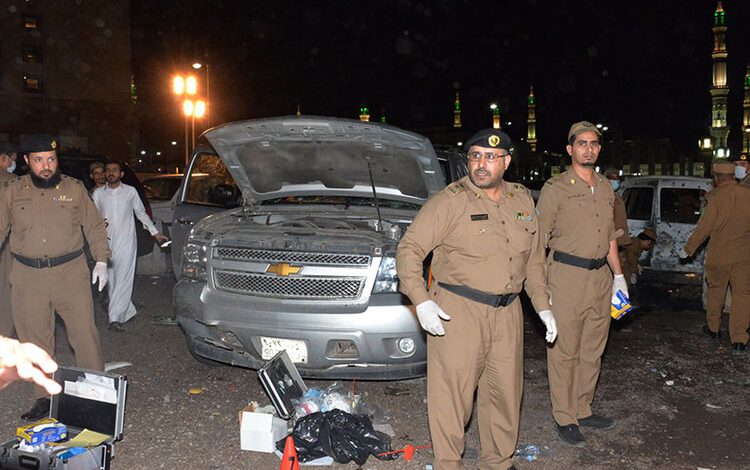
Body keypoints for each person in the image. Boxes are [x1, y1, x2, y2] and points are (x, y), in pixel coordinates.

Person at [396, 129, 557, 470]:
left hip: (508, 312)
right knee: (452, 398)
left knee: (505, 395)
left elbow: (534, 261)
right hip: (458, 310)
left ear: (507, 161)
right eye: (475, 156)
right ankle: (449, 464)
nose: (481, 164)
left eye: (490, 157)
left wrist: (543, 306)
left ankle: (498, 462)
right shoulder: (450, 201)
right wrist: (421, 300)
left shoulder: (522, 200)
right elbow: (409, 250)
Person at [0, 134, 111, 421]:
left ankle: (95, 394)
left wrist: (101, 259)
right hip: (27, 277)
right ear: (26, 161)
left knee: (84, 335)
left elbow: (95, 225)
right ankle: (45, 398)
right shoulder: (12, 191)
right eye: (39, 160)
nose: (46, 166)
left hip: (70, 273)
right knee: (35, 342)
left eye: (51, 159)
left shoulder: (73, 189)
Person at [536, 121, 628, 447]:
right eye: (582, 143)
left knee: (593, 349)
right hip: (566, 278)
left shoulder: (605, 188)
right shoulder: (555, 188)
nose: (588, 148)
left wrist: (619, 278)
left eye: (594, 143)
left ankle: (583, 407)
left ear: (599, 149)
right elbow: (538, 240)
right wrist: (539, 286)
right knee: (565, 351)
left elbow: (610, 237)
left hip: (601, 278)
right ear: (570, 149)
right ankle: (565, 416)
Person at [681, 160, 750, 355]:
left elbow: (705, 227)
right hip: (744, 256)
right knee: (743, 296)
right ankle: (739, 339)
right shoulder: (748, 194)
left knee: (716, 292)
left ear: (717, 177)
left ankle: (713, 328)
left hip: (719, 255)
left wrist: (689, 248)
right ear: (734, 175)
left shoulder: (714, 197)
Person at [92, 161, 168, 330]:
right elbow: (94, 218)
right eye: (108, 170)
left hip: (127, 241)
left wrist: (156, 233)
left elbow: (141, 213)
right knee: (111, 280)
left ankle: (114, 318)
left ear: (121, 174)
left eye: (115, 170)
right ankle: (127, 311)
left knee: (124, 279)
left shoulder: (130, 192)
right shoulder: (98, 194)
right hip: (107, 242)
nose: (111, 173)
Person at [0, 143, 18, 338]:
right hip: (6, 243)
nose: (13, 163)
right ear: (3, 158)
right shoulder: (13, 182)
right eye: (11, 159)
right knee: (6, 293)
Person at [603, 167, 631, 250]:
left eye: (617, 178)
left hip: (620, 239)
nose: (616, 181)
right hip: (612, 239)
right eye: (613, 178)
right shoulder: (605, 196)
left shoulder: (616, 195)